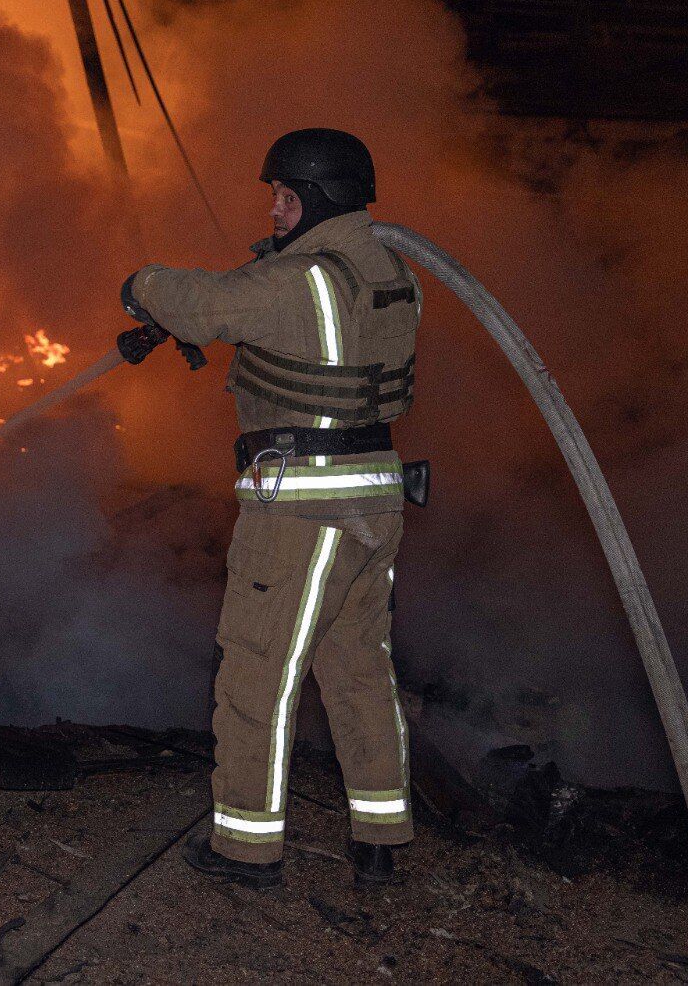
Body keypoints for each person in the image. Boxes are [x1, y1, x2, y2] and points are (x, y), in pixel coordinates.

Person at [119, 128, 422, 888]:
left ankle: (245, 848)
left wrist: (142, 286)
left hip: (304, 512)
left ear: (321, 199)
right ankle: (381, 837)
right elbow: (300, 341)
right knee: (358, 668)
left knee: (258, 671)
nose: (277, 211)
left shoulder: (304, 282)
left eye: (287, 197)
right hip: (375, 498)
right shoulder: (388, 273)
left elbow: (211, 302)